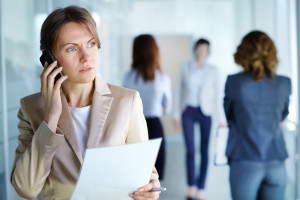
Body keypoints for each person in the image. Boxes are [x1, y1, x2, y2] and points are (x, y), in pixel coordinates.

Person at [10, 6, 161, 200]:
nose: (86, 57)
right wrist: (51, 117)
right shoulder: (31, 109)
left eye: (91, 44)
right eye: (72, 48)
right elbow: (26, 189)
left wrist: (150, 189)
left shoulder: (127, 101)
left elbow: (147, 176)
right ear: (48, 56)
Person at [224, 30, 291, 200]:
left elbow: (229, 116)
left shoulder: (234, 82)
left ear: (243, 53)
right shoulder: (284, 83)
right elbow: (283, 116)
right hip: (276, 162)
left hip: (245, 161)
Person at [173, 38, 225, 200]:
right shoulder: (185, 67)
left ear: (209, 52)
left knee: (204, 150)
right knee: (190, 149)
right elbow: (178, 90)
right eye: (200, 48)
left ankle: (201, 187)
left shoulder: (213, 70)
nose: (203, 52)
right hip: (188, 110)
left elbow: (218, 96)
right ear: (195, 49)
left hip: (205, 112)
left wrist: (221, 117)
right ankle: (191, 186)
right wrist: (175, 113)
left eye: (206, 49)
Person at [123, 34, 172, 181]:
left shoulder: (128, 77)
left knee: (136, 174)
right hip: (155, 125)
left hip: (132, 127)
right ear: (155, 51)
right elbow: (167, 107)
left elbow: (124, 104)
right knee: (154, 177)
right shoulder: (162, 78)